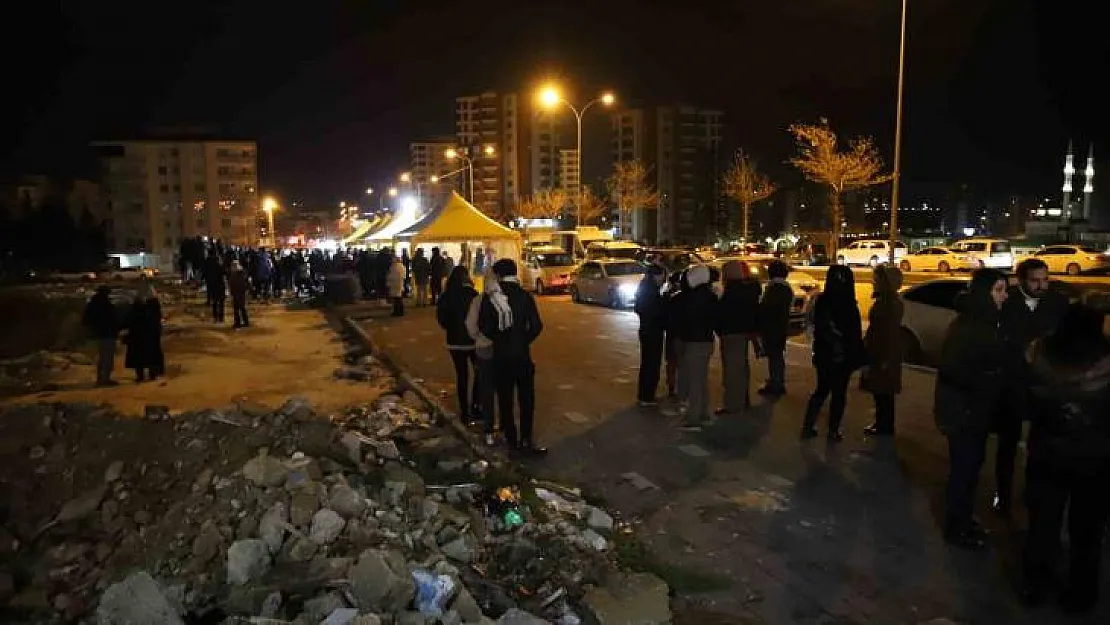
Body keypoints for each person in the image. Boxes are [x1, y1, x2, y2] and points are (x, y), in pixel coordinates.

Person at [1020, 303, 1110, 613]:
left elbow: (1025, 399)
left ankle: (1036, 585)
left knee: (1042, 525)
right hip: (1095, 460)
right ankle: (1081, 595)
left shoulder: (1040, 353)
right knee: (1087, 532)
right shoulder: (1106, 360)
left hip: (1048, 452)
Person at [934, 268, 1009, 549]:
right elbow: (954, 370)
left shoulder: (988, 321)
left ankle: (964, 518)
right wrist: (990, 377)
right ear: (984, 293)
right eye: (999, 290)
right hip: (963, 412)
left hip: (975, 411)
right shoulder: (970, 327)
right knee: (963, 471)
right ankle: (957, 527)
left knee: (972, 467)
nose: (1004, 296)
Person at [992, 257, 1068, 517]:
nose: (1041, 285)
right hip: (1013, 385)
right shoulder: (1007, 303)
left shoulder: (1058, 303)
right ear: (1021, 280)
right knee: (1008, 444)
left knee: (1041, 445)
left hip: (1045, 386)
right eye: (1035, 280)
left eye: (1044, 279)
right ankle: (1002, 495)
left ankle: (1034, 495)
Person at [478, 259, 545, 455]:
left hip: (500, 359)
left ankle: (512, 442)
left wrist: (498, 338)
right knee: (526, 400)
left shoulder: (490, 298)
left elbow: (484, 326)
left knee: (505, 402)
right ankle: (526, 439)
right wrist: (523, 340)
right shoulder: (524, 296)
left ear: (498, 276)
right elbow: (537, 326)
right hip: (522, 357)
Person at [801, 265, 865, 441]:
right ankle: (832, 430)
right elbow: (854, 334)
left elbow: (819, 328)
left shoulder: (823, 301)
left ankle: (809, 426)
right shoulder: (849, 303)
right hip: (842, 355)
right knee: (838, 393)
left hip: (826, 354)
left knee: (822, 390)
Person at [861, 265, 904, 436]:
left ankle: (884, 425)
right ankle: (882, 423)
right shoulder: (887, 301)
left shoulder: (890, 304)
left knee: (883, 391)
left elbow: (888, 332)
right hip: (879, 351)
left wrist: (885, 357)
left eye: (876, 279)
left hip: (883, 353)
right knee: (881, 391)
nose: (873, 282)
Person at [673, 264, 718, 429]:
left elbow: (681, 320)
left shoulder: (689, 298)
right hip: (706, 341)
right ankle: (703, 413)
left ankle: (693, 419)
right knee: (701, 379)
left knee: (694, 381)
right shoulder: (711, 297)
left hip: (693, 342)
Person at [715, 260, 761, 414]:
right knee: (741, 367)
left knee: (733, 371)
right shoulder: (749, 290)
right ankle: (743, 399)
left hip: (731, 333)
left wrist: (718, 328)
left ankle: (733, 405)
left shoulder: (731, 292)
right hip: (744, 332)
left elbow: (722, 314)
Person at [438, 265, 481, 426]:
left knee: (462, 376)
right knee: (479, 373)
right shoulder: (473, 295)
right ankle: (476, 406)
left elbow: (441, 319)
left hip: (454, 343)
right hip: (473, 342)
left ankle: (464, 412)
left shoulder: (446, 296)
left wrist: (451, 328)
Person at [466, 269, 499, 445]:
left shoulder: (479, 300)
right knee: (503, 388)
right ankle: (505, 426)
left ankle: (488, 429)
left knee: (486, 390)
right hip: (502, 349)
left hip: (484, 349)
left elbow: (470, 324)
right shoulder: (504, 300)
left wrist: (478, 337)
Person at [634, 265, 668, 407]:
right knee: (651, 364)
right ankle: (647, 396)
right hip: (652, 331)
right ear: (656, 276)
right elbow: (657, 311)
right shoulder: (651, 292)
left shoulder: (645, 288)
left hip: (646, 330)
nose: (664, 279)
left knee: (648, 363)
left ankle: (645, 395)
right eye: (662, 276)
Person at [758, 260, 793, 397]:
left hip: (773, 327)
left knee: (775, 357)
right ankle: (777, 382)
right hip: (780, 326)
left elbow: (768, 310)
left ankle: (776, 384)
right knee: (777, 356)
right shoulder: (785, 288)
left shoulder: (775, 288)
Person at [124, 279, 165, 382]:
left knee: (140, 356)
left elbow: (131, 319)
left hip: (138, 335)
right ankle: (152, 374)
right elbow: (158, 317)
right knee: (151, 354)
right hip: (150, 334)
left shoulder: (137, 305)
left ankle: (141, 376)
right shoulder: (153, 305)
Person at [83, 286, 120, 387]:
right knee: (107, 357)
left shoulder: (92, 304)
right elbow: (113, 319)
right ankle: (105, 379)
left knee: (102, 358)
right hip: (107, 333)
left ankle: (101, 378)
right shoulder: (106, 305)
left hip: (97, 334)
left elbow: (86, 319)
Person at [204, 252, 227, 323]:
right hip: (220, 287)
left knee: (215, 302)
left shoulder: (210, 267)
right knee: (221, 304)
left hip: (214, 287)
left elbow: (207, 275)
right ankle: (221, 317)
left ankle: (215, 316)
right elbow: (224, 276)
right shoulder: (220, 267)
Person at [228, 260, 250, 328]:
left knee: (237, 308)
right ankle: (245, 322)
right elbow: (246, 283)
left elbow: (232, 284)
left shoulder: (234, 275)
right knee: (242, 307)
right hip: (241, 292)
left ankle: (238, 323)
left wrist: (231, 292)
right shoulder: (242, 273)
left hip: (237, 292)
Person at [386, 253, 406, 317]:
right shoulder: (401, 266)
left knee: (397, 299)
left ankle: (397, 312)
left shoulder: (394, 267)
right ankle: (399, 311)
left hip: (395, 284)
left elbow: (391, 275)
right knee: (398, 298)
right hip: (399, 284)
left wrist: (388, 282)